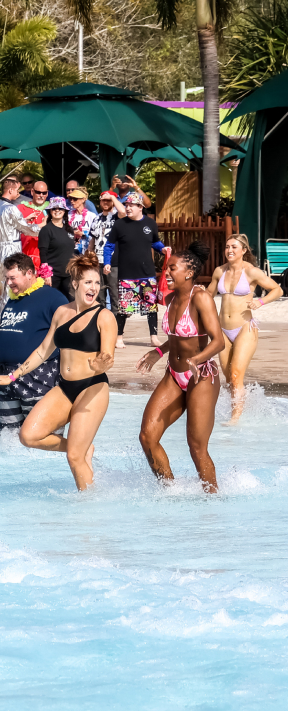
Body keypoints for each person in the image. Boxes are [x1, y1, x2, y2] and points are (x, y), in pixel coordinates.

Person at [0, 253, 115, 490]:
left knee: (74, 458)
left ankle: (88, 506)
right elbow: (43, 351)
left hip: (93, 387)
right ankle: (82, 445)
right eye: (88, 282)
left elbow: (108, 356)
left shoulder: (104, 317)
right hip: (65, 388)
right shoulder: (62, 312)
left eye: (97, 283)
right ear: (75, 284)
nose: (94, 287)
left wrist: (102, 363)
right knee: (29, 436)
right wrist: (13, 376)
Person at [137, 242, 227, 492]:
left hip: (202, 376)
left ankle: (212, 499)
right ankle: (170, 491)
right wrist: (158, 352)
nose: (166, 272)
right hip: (173, 375)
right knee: (147, 437)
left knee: (196, 447)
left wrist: (197, 360)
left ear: (188, 272)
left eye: (172, 268)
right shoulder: (171, 298)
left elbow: (218, 341)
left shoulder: (201, 298)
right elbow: (178, 337)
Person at [0, 253, 70, 433]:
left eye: (13, 278)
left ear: (29, 273)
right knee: (9, 436)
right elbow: (12, 327)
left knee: (41, 433)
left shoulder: (53, 298)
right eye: (6, 278)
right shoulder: (14, 298)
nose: (8, 283)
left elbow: (69, 333)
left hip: (39, 376)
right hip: (5, 375)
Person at [208, 234, 282, 424]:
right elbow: (208, 295)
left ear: (244, 250)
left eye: (234, 247)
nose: (229, 250)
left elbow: (278, 290)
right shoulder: (219, 271)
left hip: (244, 329)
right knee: (228, 378)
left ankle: (235, 418)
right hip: (222, 329)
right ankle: (244, 403)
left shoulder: (251, 272)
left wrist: (261, 301)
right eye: (227, 247)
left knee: (235, 374)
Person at [103, 192, 166, 348]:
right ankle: (119, 337)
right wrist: (107, 262)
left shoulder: (150, 224)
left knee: (151, 307)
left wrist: (163, 250)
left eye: (131, 205)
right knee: (123, 308)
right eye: (126, 205)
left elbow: (155, 243)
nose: (127, 208)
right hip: (127, 274)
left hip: (147, 273)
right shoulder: (119, 224)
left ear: (140, 207)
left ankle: (153, 337)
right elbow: (109, 246)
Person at [0, 176, 43, 329]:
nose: (18, 194)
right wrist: (41, 228)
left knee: (4, 284)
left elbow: (10, 223)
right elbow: (25, 229)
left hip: (0, 248)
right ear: (11, 190)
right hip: (12, 248)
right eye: (17, 191)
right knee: (12, 285)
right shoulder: (11, 208)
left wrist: (25, 218)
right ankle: (6, 320)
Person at [38, 199, 76, 298]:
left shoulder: (69, 229)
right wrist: (46, 274)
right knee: (53, 303)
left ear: (64, 211)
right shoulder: (46, 230)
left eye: (60, 208)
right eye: (54, 208)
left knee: (70, 303)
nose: (57, 210)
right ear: (50, 211)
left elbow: (71, 250)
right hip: (53, 276)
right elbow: (43, 252)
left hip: (68, 274)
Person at [90, 191, 121, 311]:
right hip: (98, 260)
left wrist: (113, 197)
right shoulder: (96, 218)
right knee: (99, 293)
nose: (106, 202)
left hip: (113, 261)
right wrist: (89, 255)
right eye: (104, 200)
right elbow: (92, 238)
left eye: (109, 200)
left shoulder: (118, 217)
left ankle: (117, 323)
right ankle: (100, 320)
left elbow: (123, 211)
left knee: (114, 293)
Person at [18, 180, 50, 267]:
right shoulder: (21, 208)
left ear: (47, 194)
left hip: (45, 257)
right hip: (24, 255)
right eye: (38, 192)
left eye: (44, 193)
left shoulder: (52, 210)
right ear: (32, 192)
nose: (41, 195)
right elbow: (12, 227)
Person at [67, 188, 96, 253]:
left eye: (75, 199)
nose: (72, 201)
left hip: (86, 250)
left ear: (83, 199)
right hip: (70, 250)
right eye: (70, 199)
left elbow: (96, 234)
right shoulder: (68, 215)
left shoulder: (92, 216)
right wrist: (72, 232)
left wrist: (83, 234)